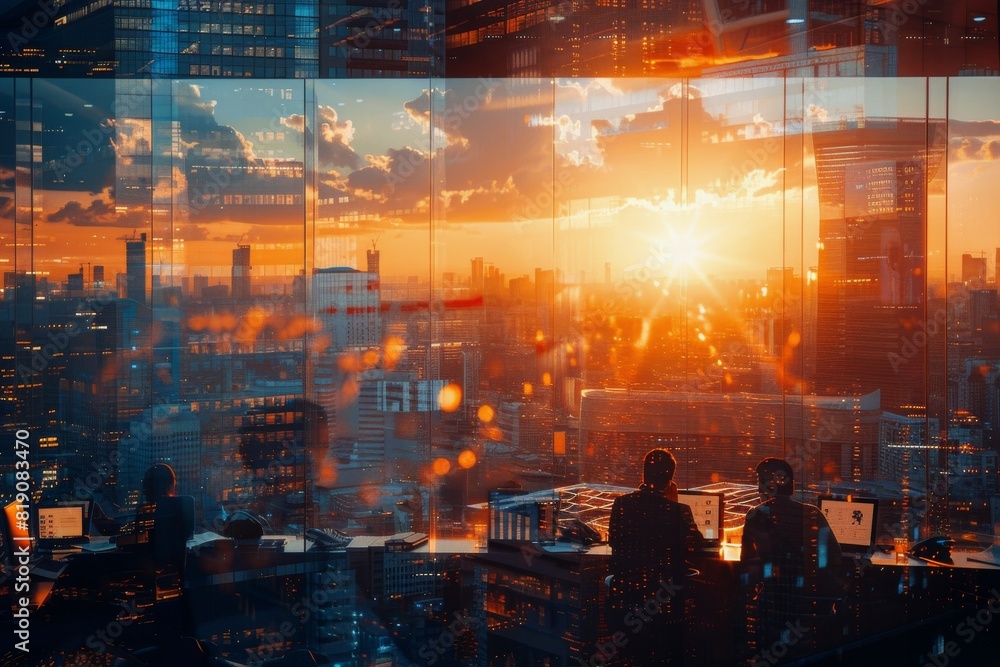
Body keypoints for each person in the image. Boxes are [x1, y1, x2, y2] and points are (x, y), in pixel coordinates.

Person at [608, 449, 705, 666]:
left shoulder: (621, 505)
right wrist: (672, 501)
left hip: (627, 599)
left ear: (644, 476)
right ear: (670, 479)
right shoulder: (679, 510)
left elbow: (614, 542)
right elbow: (695, 546)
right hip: (664, 603)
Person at [740, 458, 845, 658]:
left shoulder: (755, 515)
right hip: (808, 607)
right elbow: (835, 557)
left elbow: (747, 567)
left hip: (772, 608)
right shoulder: (812, 513)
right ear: (791, 485)